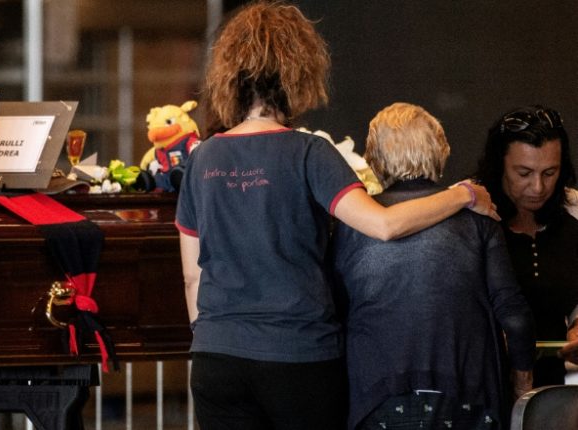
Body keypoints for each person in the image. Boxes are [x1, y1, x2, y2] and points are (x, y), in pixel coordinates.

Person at [174, 3, 498, 429]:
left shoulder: (203, 158)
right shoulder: (309, 152)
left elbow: (192, 276)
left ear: (229, 74)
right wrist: (463, 195)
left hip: (216, 358)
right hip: (297, 356)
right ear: (299, 72)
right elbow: (384, 225)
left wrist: (211, 338)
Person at [332, 102, 536, 430]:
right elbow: (514, 315)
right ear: (441, 151)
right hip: (467, 395)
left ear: (373, 159)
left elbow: (335, 315)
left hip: (379, 396)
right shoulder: (479, 219)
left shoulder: (354, 224)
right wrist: (522, 385)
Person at [474, 105, 578, 388]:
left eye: (550, 172)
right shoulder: (468, 212)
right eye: (524, 173)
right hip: (485, 385)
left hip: (552, 387)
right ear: (499, 165)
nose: (538, 187)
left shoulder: (574, 212)